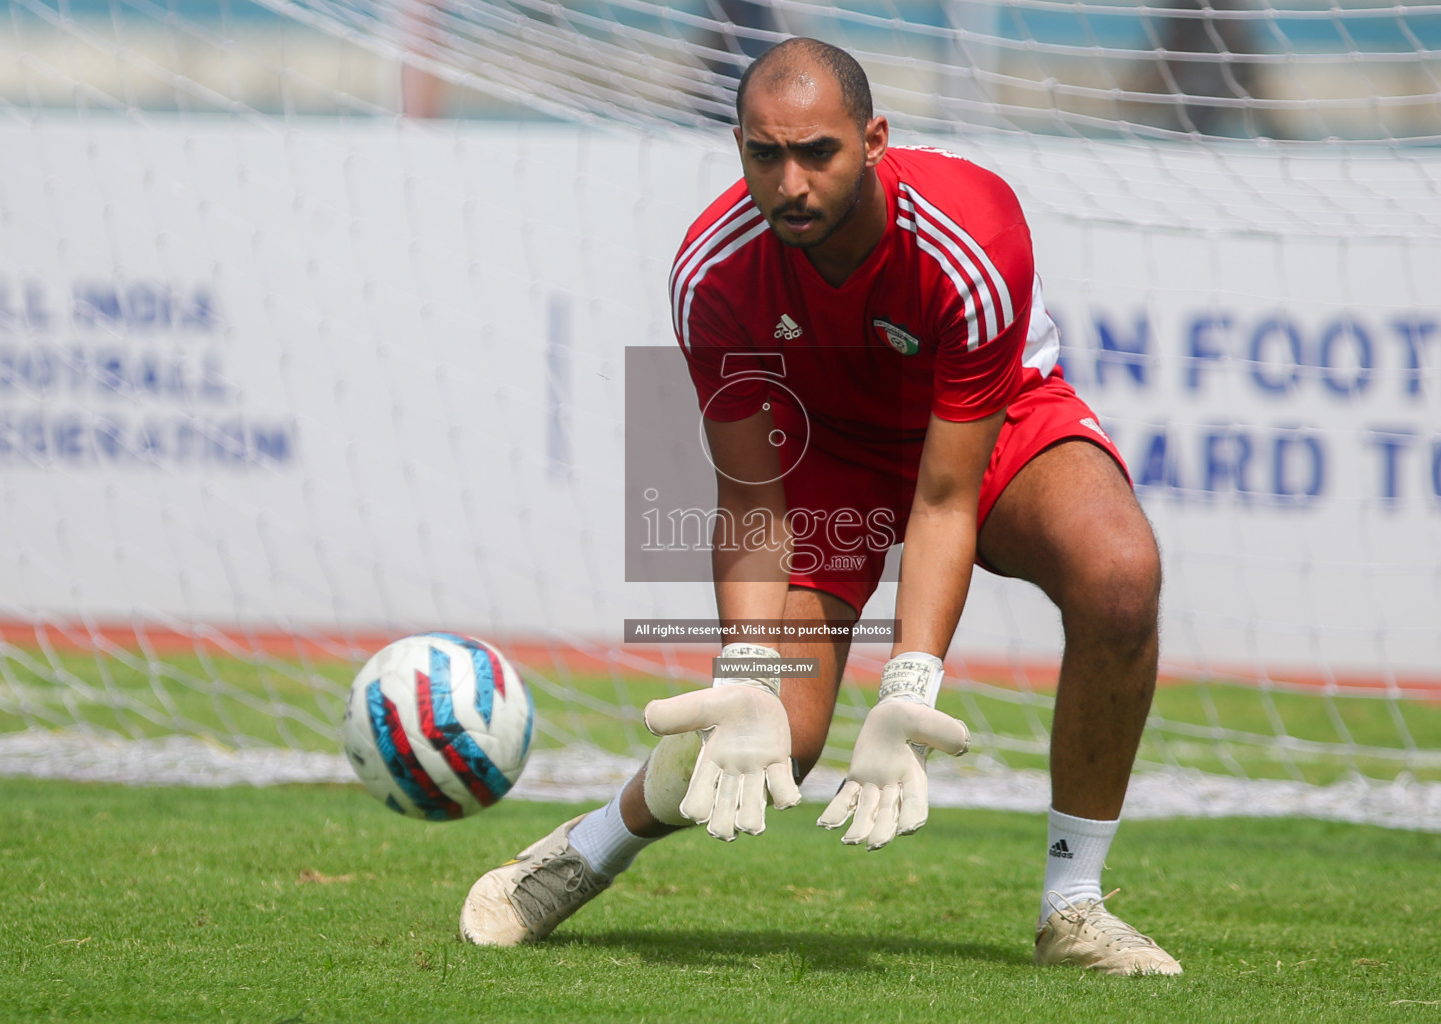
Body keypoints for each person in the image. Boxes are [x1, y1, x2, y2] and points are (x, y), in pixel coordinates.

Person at [460, 37, 1181, 976]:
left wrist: (908, 688)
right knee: (770, 746)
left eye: (819, 153)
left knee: (1120, 577)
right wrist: (749, 676)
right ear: (738, 148)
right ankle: (590, 849)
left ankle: (1073, 907)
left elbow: (945, 496)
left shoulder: (974, 232)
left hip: (982, 435)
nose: (791, 182)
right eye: (766, 155)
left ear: (875, 139)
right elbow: (754, 496)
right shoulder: (713, 273)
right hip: (828, 462)